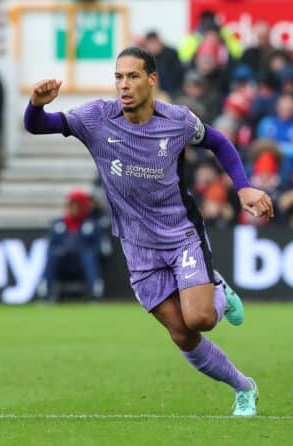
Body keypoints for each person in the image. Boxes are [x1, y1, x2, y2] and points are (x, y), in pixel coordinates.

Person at [23, 47, 273, 416]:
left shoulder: (177, 121)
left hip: (181, 234)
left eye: (133, 76)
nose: (124, 85)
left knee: (201, 318)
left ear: (151, 79)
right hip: (138, 246)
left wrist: (244, 186)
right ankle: (243, 387)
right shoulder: (96, 119)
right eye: (119, 77)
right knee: (182, 333)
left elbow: (218, 141)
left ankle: (216, 287)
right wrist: (35, 105)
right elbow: (37, 125)